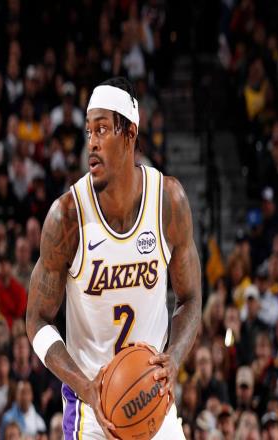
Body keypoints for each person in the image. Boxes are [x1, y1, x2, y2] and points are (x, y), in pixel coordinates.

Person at [26, 76, 202, 439]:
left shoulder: (168, 202)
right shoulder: (66, 217)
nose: (92, 142)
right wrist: (84, 386)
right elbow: (37, 320)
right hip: (91, 408)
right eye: (89, 131)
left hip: (151, 397)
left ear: (130, 133)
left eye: (103, 129)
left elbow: (190, 298)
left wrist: (174, 358)